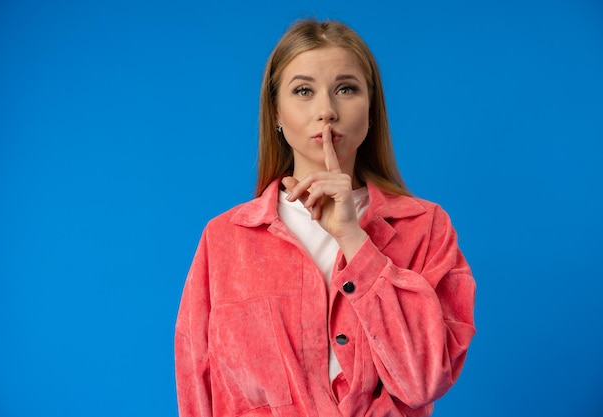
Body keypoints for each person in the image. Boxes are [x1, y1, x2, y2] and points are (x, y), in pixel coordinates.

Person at [175, 18, 476, 417]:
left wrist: (353, 238)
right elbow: (198, 383)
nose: (326, 111)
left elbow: (422, 381)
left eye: (346, 89)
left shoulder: (425, 227)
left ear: (371, 111)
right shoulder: (225, 239)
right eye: (303, 91)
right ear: (276, 113)